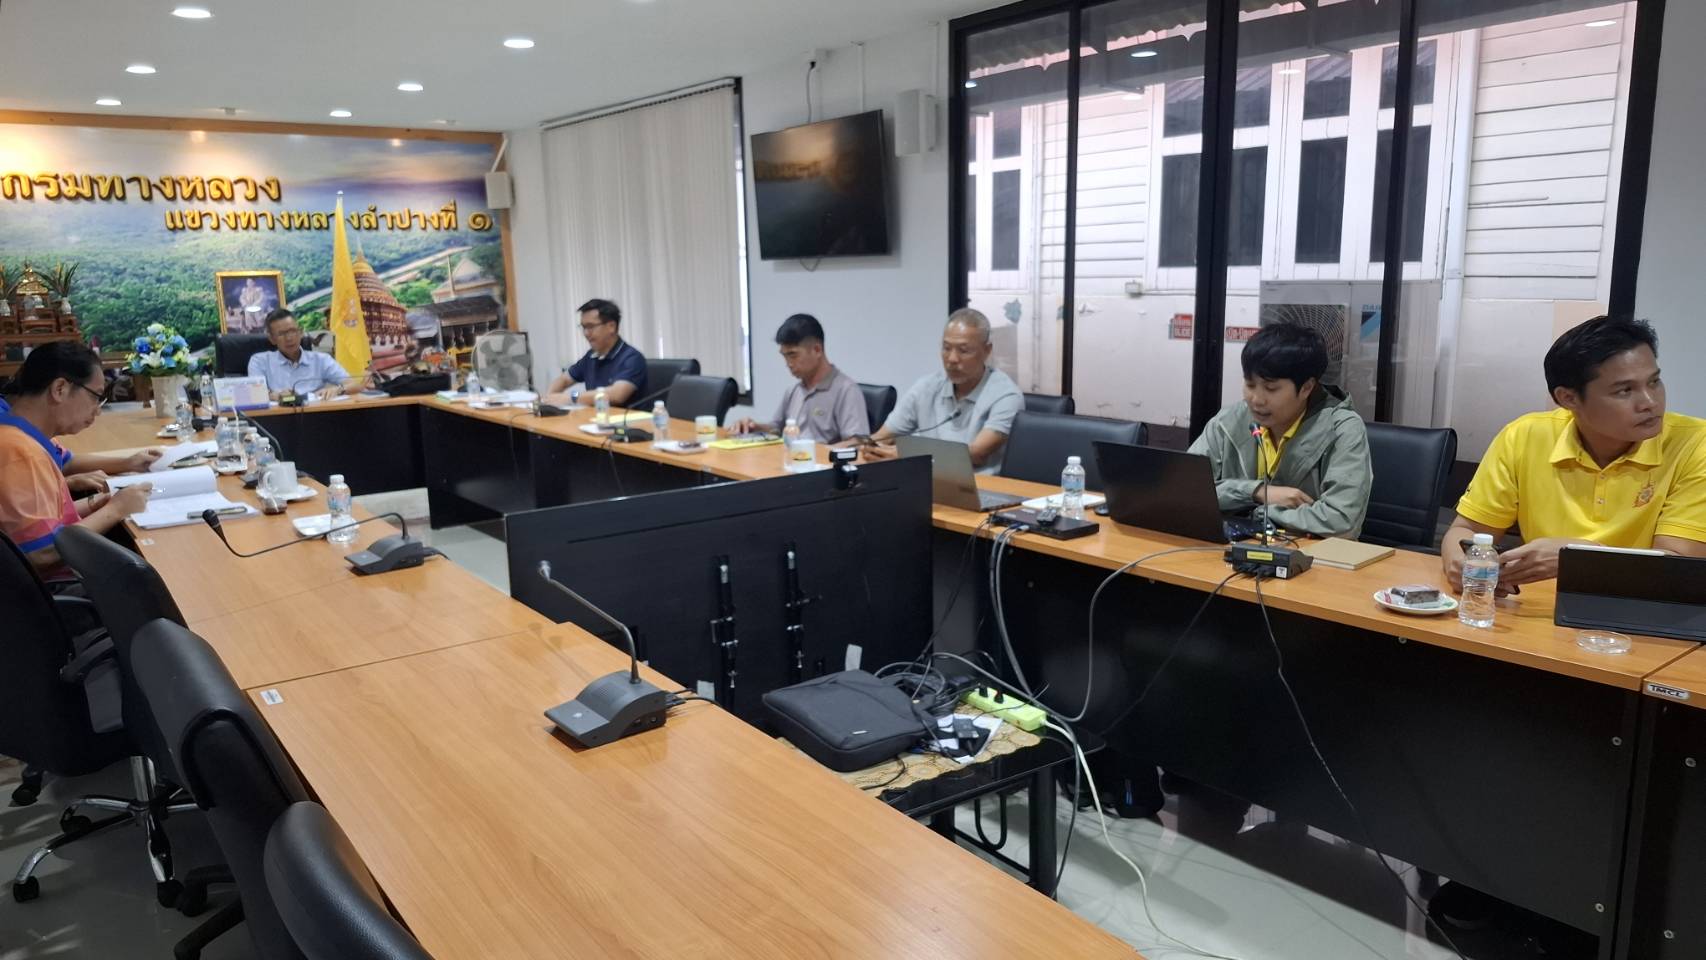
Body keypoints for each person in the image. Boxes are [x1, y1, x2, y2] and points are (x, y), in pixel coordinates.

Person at [1443, 316, 1706, 593]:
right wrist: (1460, 565)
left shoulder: (1695, 444)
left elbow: (1678, 568)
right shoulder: (1524, 436)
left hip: (1641, 608)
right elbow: (1466, 530)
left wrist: (1580, 559)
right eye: (1625, 390)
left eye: (1654, 382)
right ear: (1568, 398)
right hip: (1539, 608)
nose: (1650, 402)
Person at [1187, 322, 1372, 539]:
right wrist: (1256, 492)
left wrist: (1261, 513)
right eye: (1250, 385)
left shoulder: (1342, 429)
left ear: (1306, 387)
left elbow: (1342, 522)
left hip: (1312, 556)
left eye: (1271, 388)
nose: (1256, 399)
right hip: (1231, 548)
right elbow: (1184, 489)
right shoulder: (1229, 420)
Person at [0, 341, 153, 581]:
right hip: (57, 590)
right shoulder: (20, 452)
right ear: (60, 389)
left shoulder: (21, 436)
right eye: (96, 397)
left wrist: (98, 503)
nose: (97, 410)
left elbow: (44, 520)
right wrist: (116, 509)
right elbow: (40, 553)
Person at [861, 308, 1023, 474]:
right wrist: (871, 448)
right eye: (946, 348)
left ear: (987, 350)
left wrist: (908, 455)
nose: (952, 359)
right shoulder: (927, 387)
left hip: (979, 484)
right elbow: (883, 437)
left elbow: (976, 454)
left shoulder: (1006, 395)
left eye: (963, 350)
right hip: (924, 478)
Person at [732, 314, 868, 443]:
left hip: (820, 459)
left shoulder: (846, 390)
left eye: (793, 355)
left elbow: (857, 442)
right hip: (791, 458)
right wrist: (754, 427)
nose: (788, 363)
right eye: (785, 356)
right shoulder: (794, 391)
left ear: (817, 350)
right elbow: (777, 429)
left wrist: (818, 452)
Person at [544, 299, 647, 408]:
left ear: (611, 326)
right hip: (596, 416)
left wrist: (571, 397)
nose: (586, 333)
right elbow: (564, 380)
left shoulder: (632, 358)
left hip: (625, 418)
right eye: (583, 327)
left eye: (590, 327)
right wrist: (549, 398)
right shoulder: (591, 356)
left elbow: (617, 395)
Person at [248, 308, 361, 401]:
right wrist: (275, 396)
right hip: (277, 417)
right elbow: (255, 393)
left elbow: (354, 385)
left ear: (301, 332)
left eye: (293, 331)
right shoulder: (259, 361)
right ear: (272, 339)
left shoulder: (321, 360)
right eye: (282, 334)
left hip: (316, 415)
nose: (289, 338)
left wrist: (338, 389)